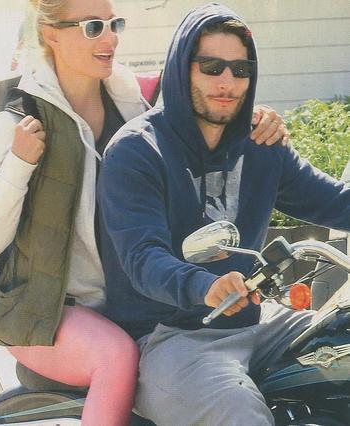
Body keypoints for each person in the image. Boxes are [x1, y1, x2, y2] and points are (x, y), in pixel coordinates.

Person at [0, 1, 287, 425]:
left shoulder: (134, 103)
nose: (111, 37)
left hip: (134, 302)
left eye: (114, 24)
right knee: (116, 357)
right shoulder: (16, 123)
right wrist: (18, 165)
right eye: (93, 27)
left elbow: (202, 119)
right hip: (46, 307)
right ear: (50, 34)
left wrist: (255, 120)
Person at [97, 3, 350, 426]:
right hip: (172, 337)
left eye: (240, 69)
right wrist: (205, 285)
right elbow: (143, 258)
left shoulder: (260, 143)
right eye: (211, 67)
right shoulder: (138, 151)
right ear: (182, 69)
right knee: (240, 414)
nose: (227, 82)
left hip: (259, 322)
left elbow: (335, 200)